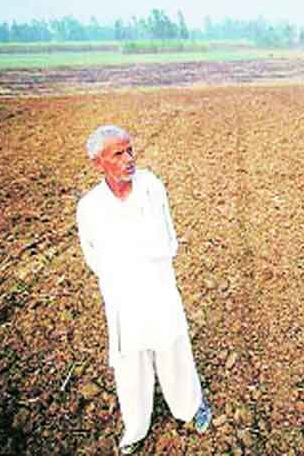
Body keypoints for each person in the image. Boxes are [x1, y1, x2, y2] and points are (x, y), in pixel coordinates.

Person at [76, 125, 212, 454]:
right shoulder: (90, 207)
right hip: (122, 295)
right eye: (118, 154)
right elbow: (94, 257)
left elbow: (167, 237)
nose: (128, 159)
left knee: (173, 347)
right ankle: (136, 427)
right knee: (130, 361)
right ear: (98, 163)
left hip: (159, 283)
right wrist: (124, 275)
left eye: (130, 150)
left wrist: (149, 260)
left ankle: (190, 407)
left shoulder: (151, 186)